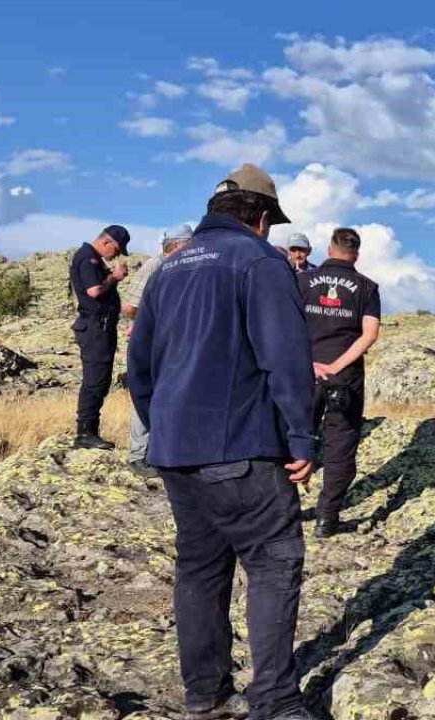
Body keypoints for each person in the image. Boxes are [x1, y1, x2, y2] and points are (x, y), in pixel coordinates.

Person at [128, 163, 316, 720]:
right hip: (241, 448)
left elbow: (138, 368)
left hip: (175, 451)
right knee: (274, 561)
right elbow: (285, 358)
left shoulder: (170, 268)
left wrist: (164, 426)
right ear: (261, 218)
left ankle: (205, 695)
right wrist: (301, 437)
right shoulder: (260, 261)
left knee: (200, 569)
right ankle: (276, 700)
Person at [299, 227, 381, 537]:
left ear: (329, 249)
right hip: (345, 377)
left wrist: (307, 363)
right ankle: (327, 517)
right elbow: (370, 334)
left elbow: (286, 324)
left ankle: (283, 511)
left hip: (302, 372)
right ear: (356, 254)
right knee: (340, 446)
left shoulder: (302, 281)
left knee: (290, 437)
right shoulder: (367, 287)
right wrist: (336, 365)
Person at [120, 224, 192, 478]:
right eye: (188, 244)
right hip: (150, 342)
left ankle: (163, 452)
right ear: (176, 245)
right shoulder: (155, 266)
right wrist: (149, 323)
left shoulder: (185, 268)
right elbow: (129, 307)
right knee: (146, 393)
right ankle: (138, 456)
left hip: (173, 342)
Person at [69, 225, 130, 449]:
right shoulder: (88, 258)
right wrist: (113, 278)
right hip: (95, 328)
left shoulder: (92, 258)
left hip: (100, 328)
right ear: (107, 242)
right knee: (94, 381)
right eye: (117, 249)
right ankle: (85, 433)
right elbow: (94, 291)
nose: (116, 254)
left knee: (100, 380)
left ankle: (89, 430)